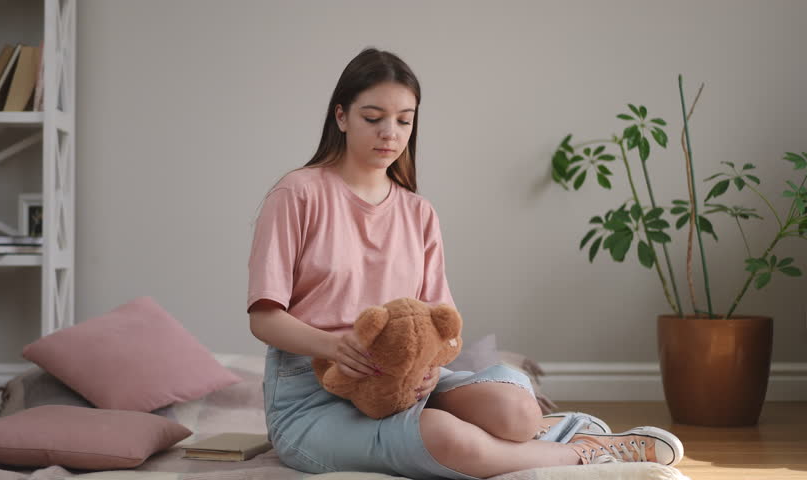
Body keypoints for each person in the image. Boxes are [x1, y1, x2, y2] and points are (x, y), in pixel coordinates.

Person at [247, 47, 684, 479]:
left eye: (404, 120)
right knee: (443, 435)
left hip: (403, 382)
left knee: (517, 412)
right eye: (373, 117)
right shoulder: (297, 194)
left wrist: (429, 366)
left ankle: (541, 432)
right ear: (341, 117)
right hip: (314, 396)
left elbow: (446, 328)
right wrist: (333, 345)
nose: (390, 134)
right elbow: (264, 319)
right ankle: (584, 451)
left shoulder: (418, 212)